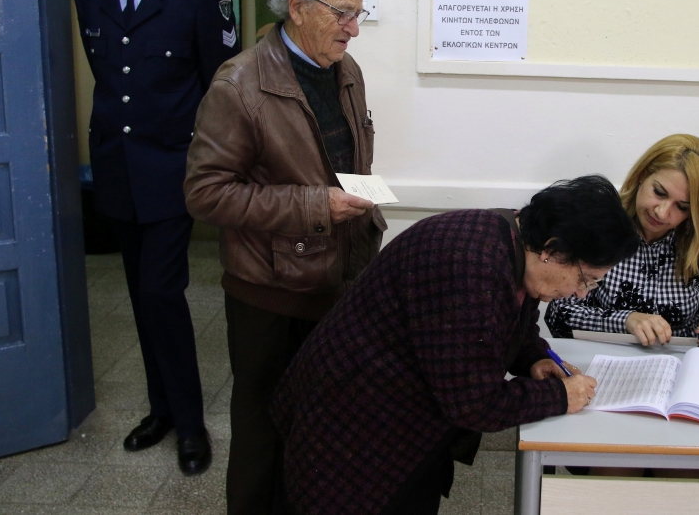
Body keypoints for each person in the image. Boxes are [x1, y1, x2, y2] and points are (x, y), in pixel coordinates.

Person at [270, 176, 641, 515]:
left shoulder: (515, 240)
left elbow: (516, 325)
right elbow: (475, 404)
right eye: (584, 279)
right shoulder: (471, 265)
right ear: (552, 249)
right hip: (352, 436)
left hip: (403, 426)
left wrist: (535, 359)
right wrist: (560, 397)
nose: (579, 292)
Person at [184, 0, 383, 514]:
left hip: (337, 282)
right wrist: (313, 206)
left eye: (358, 14)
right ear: (296, 6)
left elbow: (343, 159)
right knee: (263, 433)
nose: (353, 30)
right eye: (342, 13)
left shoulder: (346, 72)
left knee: (321, 431)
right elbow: (204, 194)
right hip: (269, 295)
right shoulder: (239, 84)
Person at [73, 0, 240, 475]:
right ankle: (161, 409)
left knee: (160, 293)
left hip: (174, 170)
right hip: (117, 169)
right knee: (141, 299)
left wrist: (216, 166)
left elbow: (223, 86)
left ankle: (191, 425)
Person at [545, 134, 699, 348]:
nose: (662, 213)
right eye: (659, 193)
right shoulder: (600, 223)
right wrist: (626, 320)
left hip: (683, 362)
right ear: (643, 175)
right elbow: (558, 314)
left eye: (682, 207)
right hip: (605, 358)